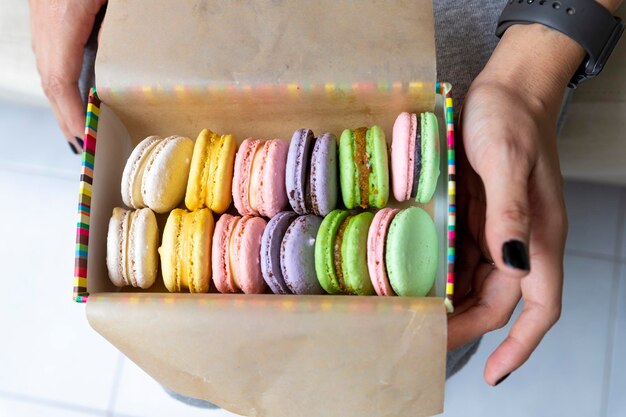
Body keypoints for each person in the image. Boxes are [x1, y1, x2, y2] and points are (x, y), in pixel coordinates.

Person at [29, 0, 623, 394]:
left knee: (394, 362)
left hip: (474, 72)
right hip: (160, 39)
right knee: (219, 368)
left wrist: (537, 59)